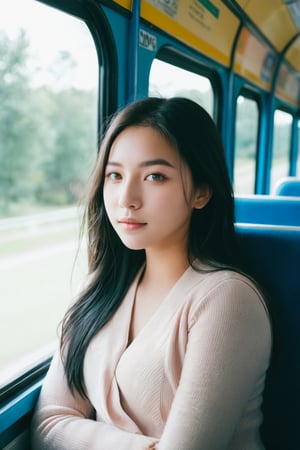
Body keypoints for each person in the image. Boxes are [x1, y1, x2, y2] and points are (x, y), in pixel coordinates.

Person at [31, 97, 272, 450]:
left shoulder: (227, 300)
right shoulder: (102, 285)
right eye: (115, 175)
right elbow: (48, 423)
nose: (126, 198)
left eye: (154, 176)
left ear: (202, 192)